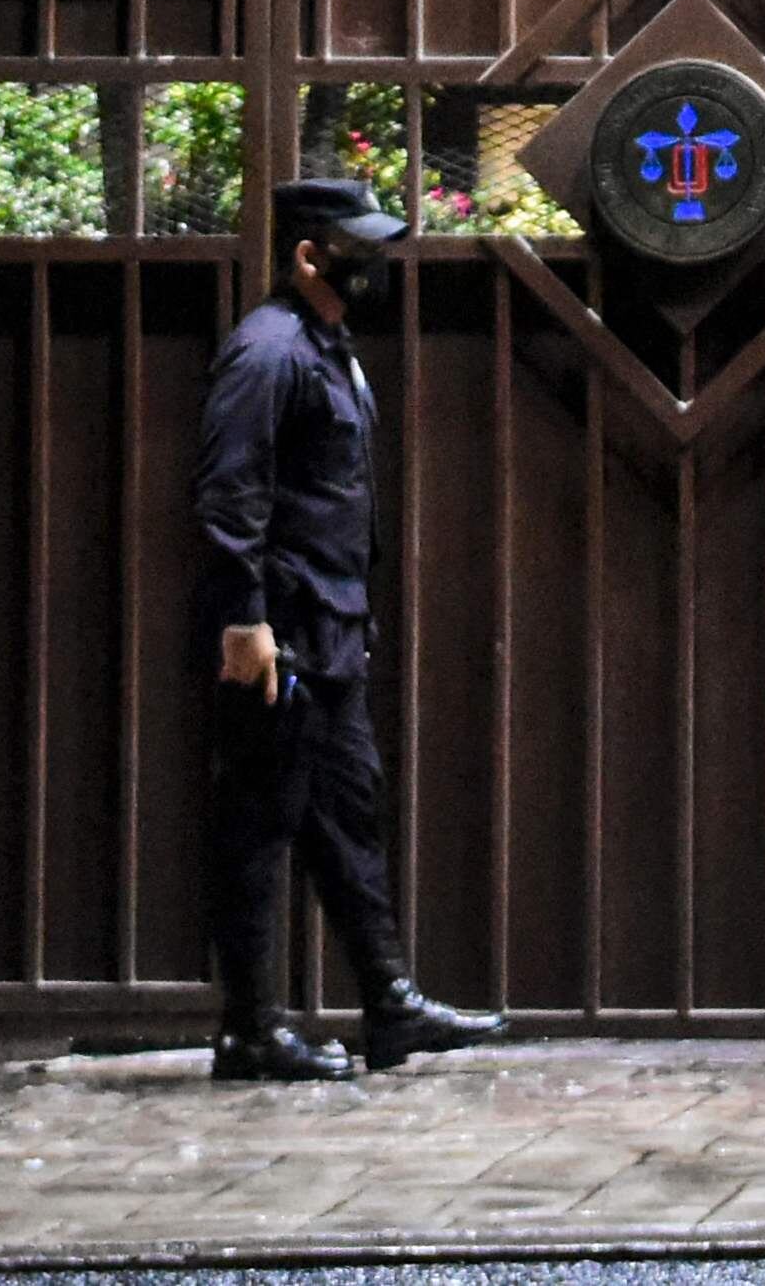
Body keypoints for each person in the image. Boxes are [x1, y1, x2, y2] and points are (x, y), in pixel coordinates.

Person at [194, 175, 507, 1080]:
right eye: (360, 250)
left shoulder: (326, 349)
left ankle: (389, 1002)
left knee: (346, 818)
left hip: (327, 632)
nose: (376, 267)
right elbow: (229, 494)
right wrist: (244, 621)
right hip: (282, 636)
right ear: (308, 255)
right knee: (258, 830)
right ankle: (249, 1031)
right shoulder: (268, 352)